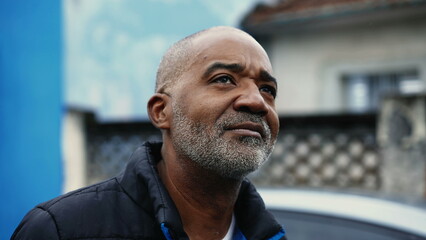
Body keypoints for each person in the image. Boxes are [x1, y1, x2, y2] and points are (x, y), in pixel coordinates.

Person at [12, 26, 287, 240]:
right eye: (224, 79)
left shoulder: (269, 234)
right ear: (161, 111)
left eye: (267, 89)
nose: (256, 101)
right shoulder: (60, 229)